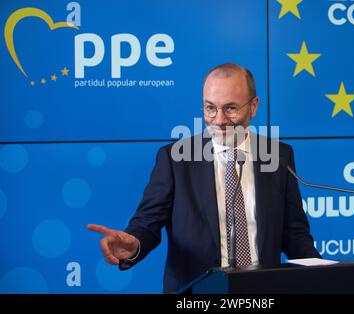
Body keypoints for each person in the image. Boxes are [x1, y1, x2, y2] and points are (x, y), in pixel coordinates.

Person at [87, 63, 320, 293]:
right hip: (196, 294)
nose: (219, 120)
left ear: (254, 106)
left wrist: (324, 276)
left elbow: (295, 234)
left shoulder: (279, 155)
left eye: (230, 108)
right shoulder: (175, 159)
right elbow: (147, 223)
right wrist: (134, 245)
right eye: (210, 108)